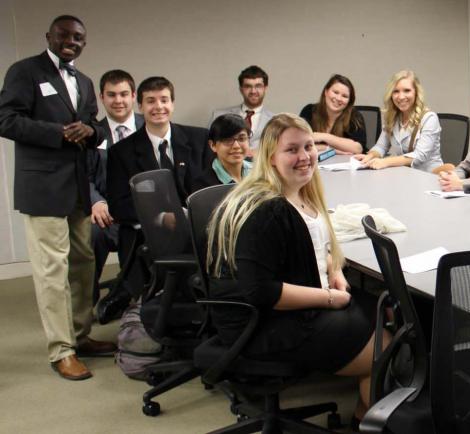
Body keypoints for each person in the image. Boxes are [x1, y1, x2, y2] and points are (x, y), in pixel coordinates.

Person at [205, 113, 381, 424]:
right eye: (292, 150)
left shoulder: (299, 193)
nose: (304, 156)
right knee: (385, 349)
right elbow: (262, 291)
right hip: (264, 324)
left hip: (294, 304)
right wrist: (328, 298)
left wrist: (335, 271)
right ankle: (366, 418)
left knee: (385, 312)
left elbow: (318, 246)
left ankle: (363, 415)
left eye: (309, 146)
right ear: (270, 157)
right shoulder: (267, 208)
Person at [0, 15, 116, 380]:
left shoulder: (83, 81)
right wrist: (59, 133)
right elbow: (5, 119)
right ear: (48, 36)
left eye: (78, 37)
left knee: (83, 266)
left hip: (78, 189)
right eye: (64, 35)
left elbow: (96, 128)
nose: (71, 41)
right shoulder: (25, 71)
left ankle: (80, 336)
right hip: (43, 189)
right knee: (52, 271)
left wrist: (91, 129)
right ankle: (61, 350)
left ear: (84, 42)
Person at [108, 76, 211, 298]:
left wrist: (190, 216)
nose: (158, 107)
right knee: (130, 237)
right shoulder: (121, 152)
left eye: (164, 100)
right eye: (151, 101)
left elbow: (208, 187)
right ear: (141, 106)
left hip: (195, 224)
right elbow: (119, 204)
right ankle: (140, 302)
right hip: (150, 227)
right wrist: (162, 217)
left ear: (172, 104)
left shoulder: (200, 138)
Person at [89, 69, 144, 299]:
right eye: (111, 95)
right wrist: (97, 202)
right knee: (90, 236)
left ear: (133, 96)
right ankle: (84, 305)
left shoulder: (150, 126)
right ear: (102, 97)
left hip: (144, 210)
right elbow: (83, 175)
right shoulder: (92, 133)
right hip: (108, 213)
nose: (118, 100)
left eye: (123, 94)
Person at [356, 70, 443, 172]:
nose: (401, 97)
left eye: (407, 90)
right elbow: (381, 146)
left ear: (416, 92)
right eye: (396, 91)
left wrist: (385, 162)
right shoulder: (393, 118)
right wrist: (370, 156)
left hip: (430, 177)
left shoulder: (429, 118)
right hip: (406, 176)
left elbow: (420, 156)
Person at [210, 65, 273, 153]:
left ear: (265, 88)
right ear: (241, 89)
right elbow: (210, 147)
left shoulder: (275, 121)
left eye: (258, 86)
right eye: (248, 86)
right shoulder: (219, 116)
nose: (253, 91)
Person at [299, 74, 366, 154]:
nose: (338, 98)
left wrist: (324, 137)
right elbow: (300, 143)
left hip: (343, 164)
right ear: (326, 92)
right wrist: (329, 149)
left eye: (344, 96)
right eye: (335, 92)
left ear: (349, 101)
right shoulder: (309, 111)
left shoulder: (355, 117)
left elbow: (358, 148)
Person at [193, 114, 252, 191]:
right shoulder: (203, 186)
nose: (236, 146)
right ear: (213, 145)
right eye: (228, 140)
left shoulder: (261, 172)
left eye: (241, 138)